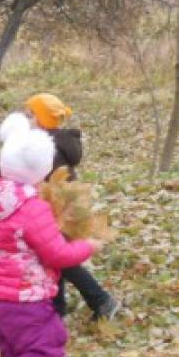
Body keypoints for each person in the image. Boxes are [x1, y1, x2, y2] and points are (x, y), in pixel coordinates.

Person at [0, 123, 99, 357]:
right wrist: (86, 246)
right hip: (25, 296)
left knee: (17, 355)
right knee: (48, 348)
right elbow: (56, 254)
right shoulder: (32, 209)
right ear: (45, 168)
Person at [22, 93, 120, 321]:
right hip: (66, 207)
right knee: (54, 257)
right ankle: (57, 309)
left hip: (56, 208)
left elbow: (36, 175)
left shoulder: (46, 146)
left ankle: (102, 300)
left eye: (30, 116)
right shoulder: (61, 142)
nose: (27, 122)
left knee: (59, 257)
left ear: (40, 120)